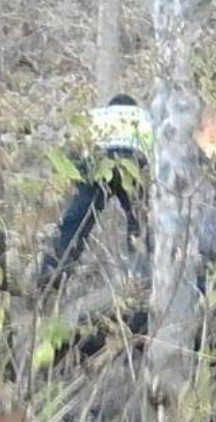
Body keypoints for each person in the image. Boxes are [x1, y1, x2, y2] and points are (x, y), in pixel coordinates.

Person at [37, 94, 153, 295]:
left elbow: (73, 153)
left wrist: (78, 181)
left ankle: (51, 273)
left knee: (76, 220)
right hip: (134, 161)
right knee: (139, 221)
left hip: (97, 161)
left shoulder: (96, 116)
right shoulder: (145, 116)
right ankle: (142, 276)